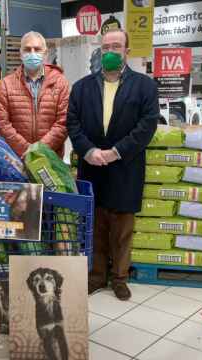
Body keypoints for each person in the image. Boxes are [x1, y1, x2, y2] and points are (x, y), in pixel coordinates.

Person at [66, 29, 159, 301]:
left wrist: (117, 152)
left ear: (127, 51)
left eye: (116, 46)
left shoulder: (144, 86)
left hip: (125, 167)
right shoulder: (82, 87)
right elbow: (73, 123)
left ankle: (119, 278)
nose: (110, 52)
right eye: (105, 46)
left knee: (122, 228)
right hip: (92, 166)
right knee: (94, 226)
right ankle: (96, 276)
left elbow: (147, 126)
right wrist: (88, 150)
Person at [0, 31, 69, 158]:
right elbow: (3, 124)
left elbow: (63, 122)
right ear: (20, 54)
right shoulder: (6, 85)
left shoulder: (60, 82)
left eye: (37, 49)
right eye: (27, 49)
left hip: (50, 158)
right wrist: (26, 150)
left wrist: (39, 149)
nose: (32, 53)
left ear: (45, 54)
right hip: (17, 159)